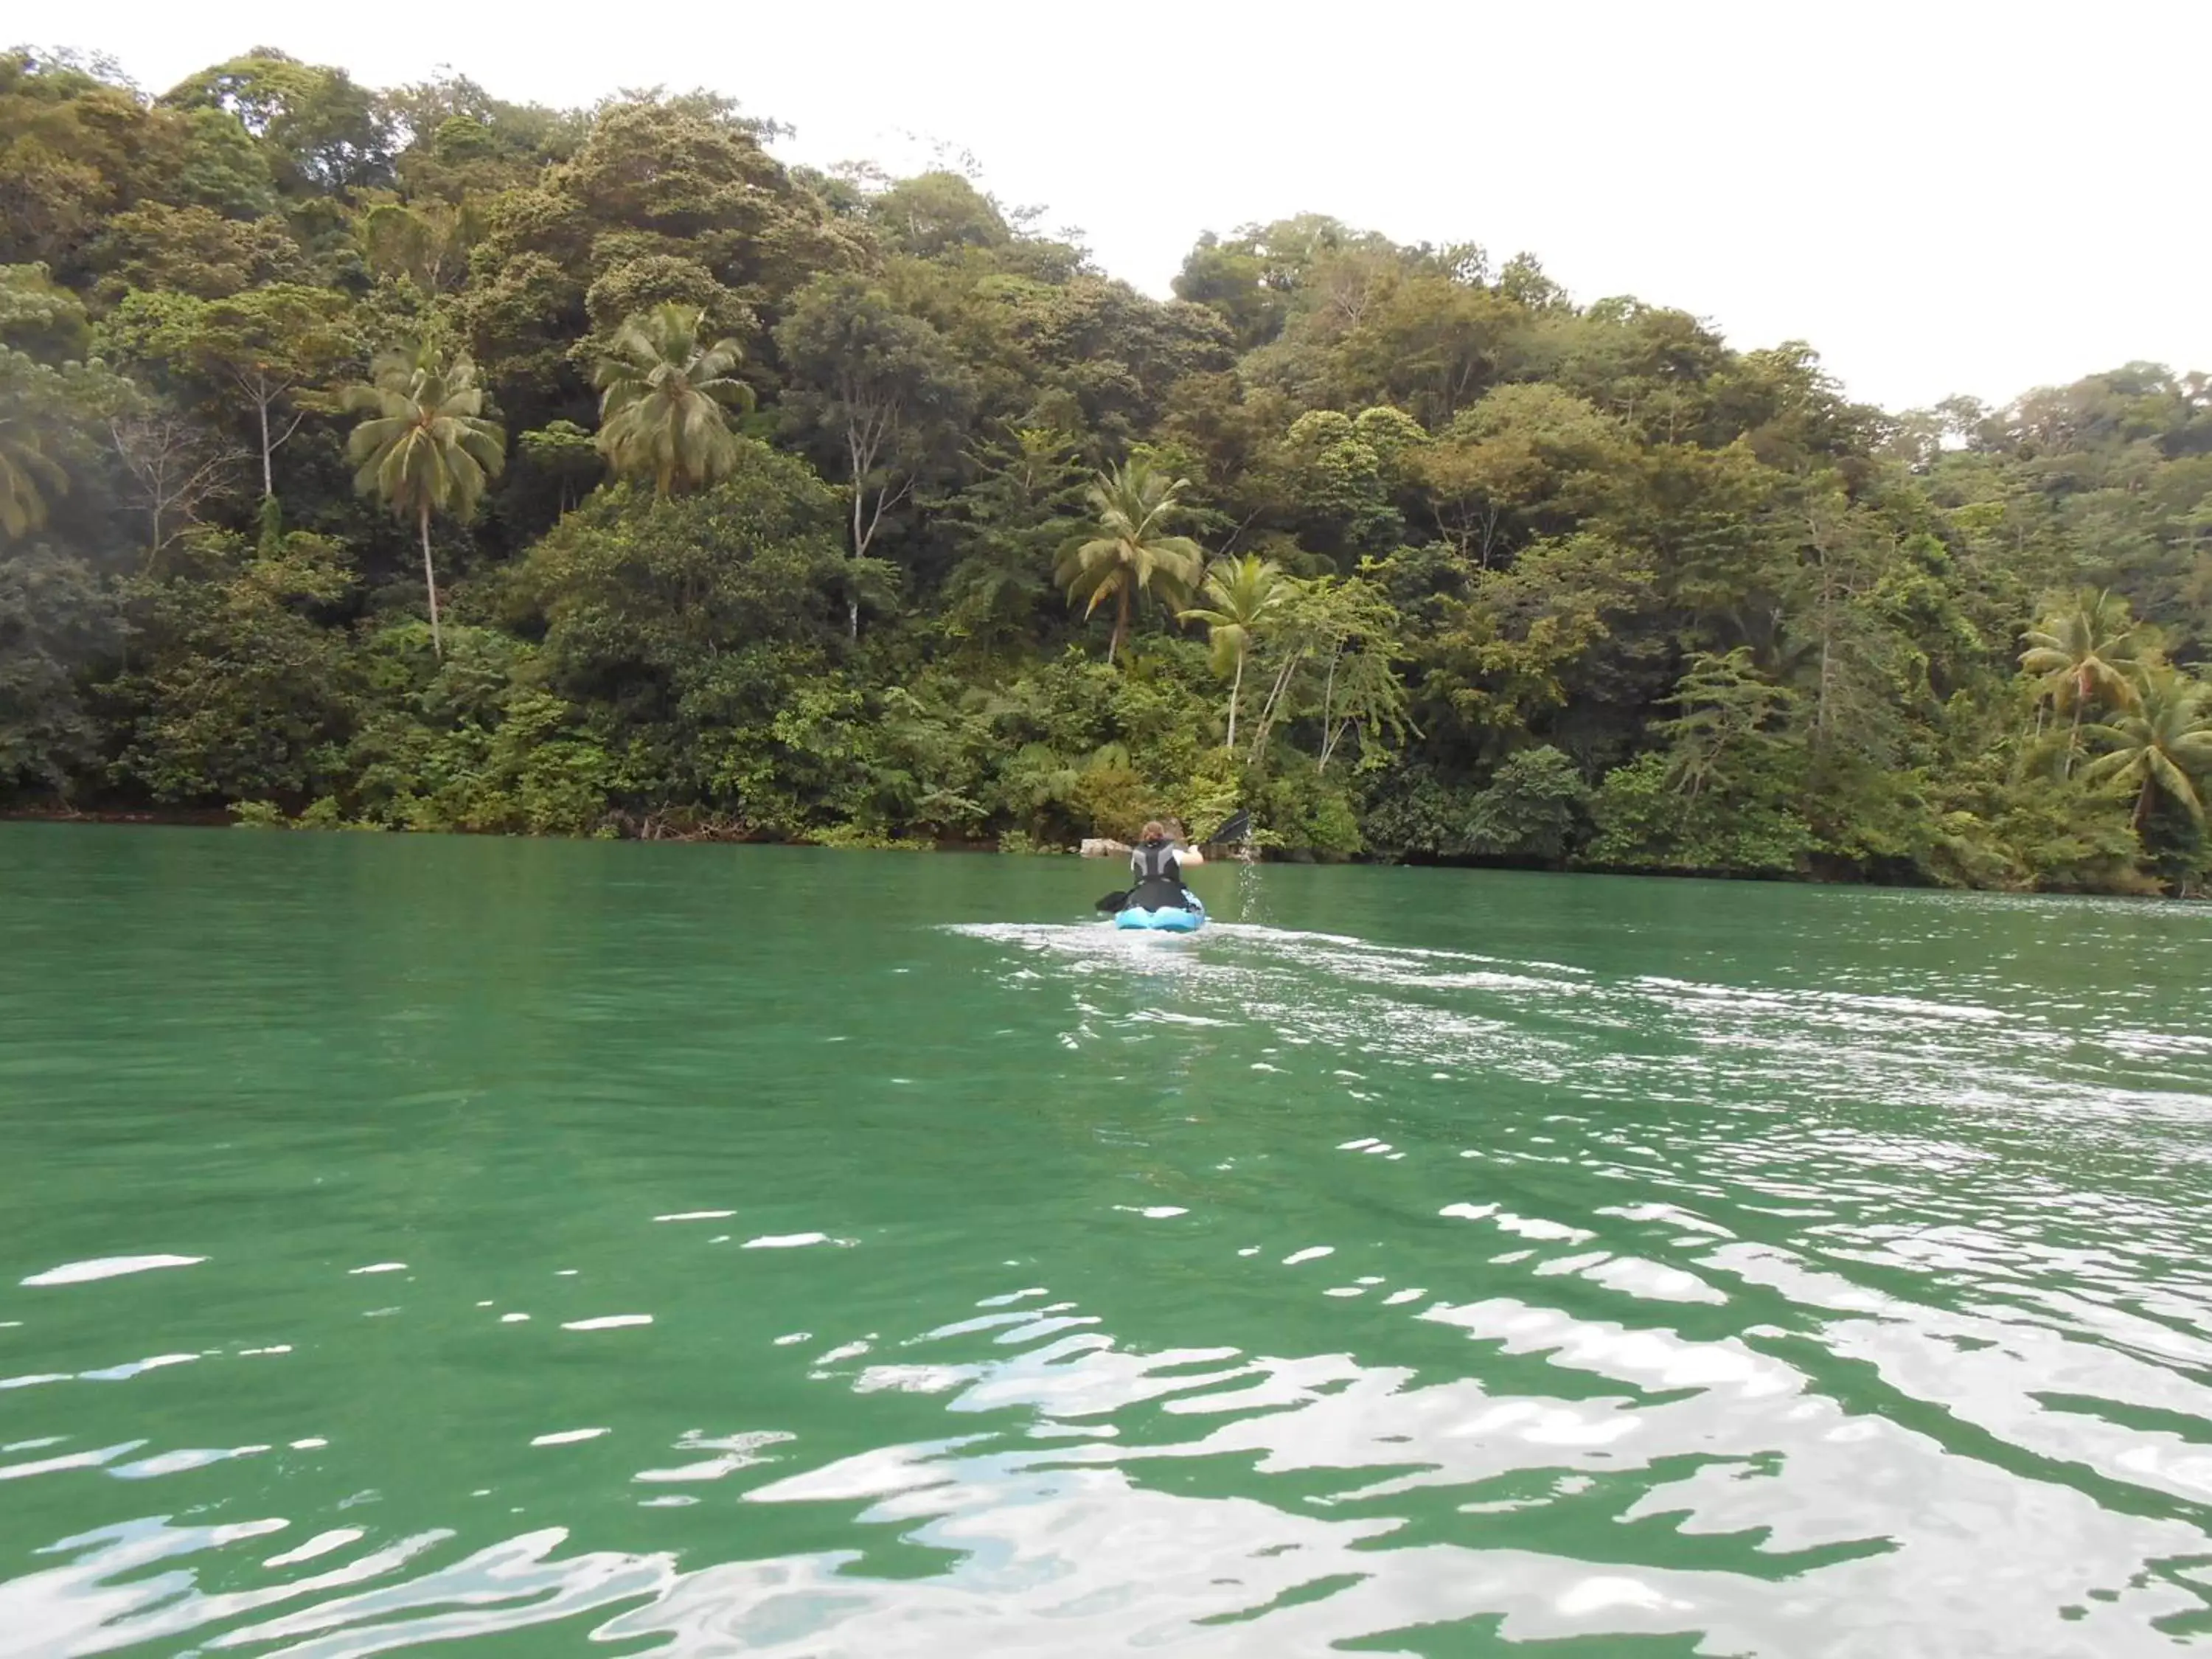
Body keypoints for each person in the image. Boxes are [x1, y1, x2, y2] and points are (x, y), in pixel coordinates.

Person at [1126, 820, 1194, 912]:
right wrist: (1194, 850)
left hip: (1141, 901)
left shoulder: (1136, 856)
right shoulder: (1173, 852)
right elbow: (1198, 860)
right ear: (1162, 835)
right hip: (1171, 901)